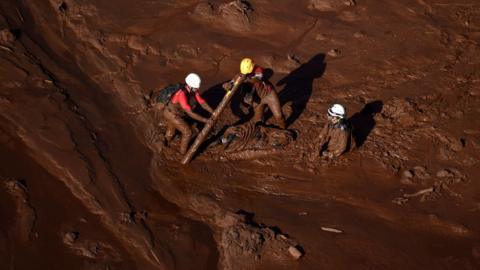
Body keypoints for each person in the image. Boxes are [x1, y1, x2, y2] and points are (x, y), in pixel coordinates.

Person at [223, 58, 286, 129]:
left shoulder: (259, 70)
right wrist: (228, 85)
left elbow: (257, 79)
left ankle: (283, 129)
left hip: (269, 94)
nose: (244, 74)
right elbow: (232, 82)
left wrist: (245, 80)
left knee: (279, 116)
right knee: (258, 121)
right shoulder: (240, 76)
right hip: (257, 100)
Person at [164, 73, 214, 154]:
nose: (198, 88)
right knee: (188, 132)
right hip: (172, 115)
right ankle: (183, 153)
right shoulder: (182, 94)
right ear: (191, 86)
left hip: (171, 112)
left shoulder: (192, 90)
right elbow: (190, 113)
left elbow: (202, 102)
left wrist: (212, 111)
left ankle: (164, 143)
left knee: (171, 131)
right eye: (196, 87)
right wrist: (206, 120)